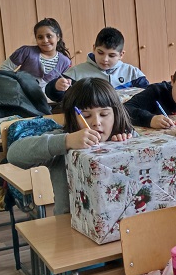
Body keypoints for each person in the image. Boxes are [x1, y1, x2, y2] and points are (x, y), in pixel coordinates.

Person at [8, 78, 134, 216]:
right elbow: (14, 155)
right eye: (86, 116)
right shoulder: (65, 140)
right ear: (73, 116)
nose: (96, 122)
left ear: (116, 113)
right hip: (71, 221)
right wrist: (66, 141)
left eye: (104, 114)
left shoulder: (126, 136)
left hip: (123, 220)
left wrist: (128, 146)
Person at [45, 27, 148, 102]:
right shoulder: (76, 73)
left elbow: (147, 96)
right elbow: (55, 96)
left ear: (121, 54)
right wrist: (56, 87)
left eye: (111, 55)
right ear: (94, 48)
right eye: (100, 53)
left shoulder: (133, 73)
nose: (105, 59)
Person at [0, 17, 72, 92]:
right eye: (40, 37)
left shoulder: (65, 62)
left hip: (46, 99)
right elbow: (5, 68)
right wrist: (13, 86)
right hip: (21, 96)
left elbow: (62, 88)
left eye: (49, 36)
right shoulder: (26, 52)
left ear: (58, 37)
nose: (45, 40)